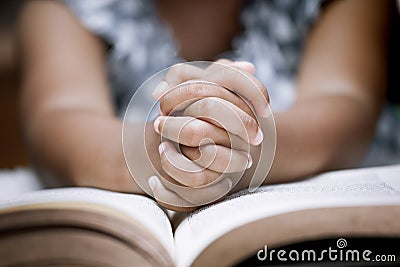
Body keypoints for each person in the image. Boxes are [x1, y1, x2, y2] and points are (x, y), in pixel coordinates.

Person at [18, 0, 392, 210]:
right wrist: (163, 153)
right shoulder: (70, 8)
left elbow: (347, 104)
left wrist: (242, 147)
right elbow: (57, 117)